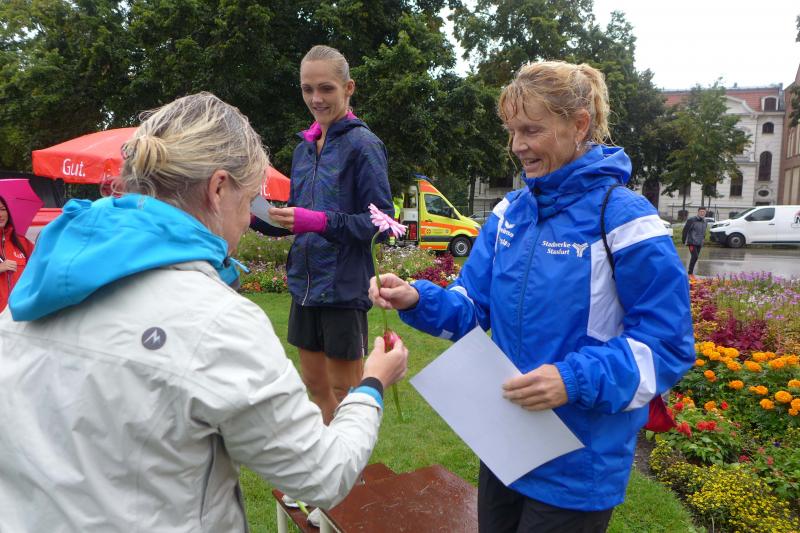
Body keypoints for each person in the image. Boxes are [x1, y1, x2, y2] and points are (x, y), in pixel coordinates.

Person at [0, 92, 408, 532]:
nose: (249, 221)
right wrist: (372, 383)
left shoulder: (33, 291)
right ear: (218, 189)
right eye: (248, 201)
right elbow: (323, 475)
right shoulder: (216, 321)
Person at [369, 61, 694, 532]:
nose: (517, 145)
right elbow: (471, 307)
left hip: (578, 463)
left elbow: (666, 346)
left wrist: (571, 380)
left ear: (579, 124)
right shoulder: (510, 213)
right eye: (512, 131)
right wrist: (417, 299)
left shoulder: (625, 218)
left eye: (531, 130)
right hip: (507, 443)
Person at [252, 45, 394, 425]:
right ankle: (326, 458)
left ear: (349, 88)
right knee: (314, 387)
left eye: (326, 88)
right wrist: (247, 211)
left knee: (348, 393)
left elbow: (381, 224)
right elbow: (294, 220)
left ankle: (352, 460)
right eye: (307, 89)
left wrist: (318, 222)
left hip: (343, 288)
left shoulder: (364, 146)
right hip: (305, 286)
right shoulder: (303, 150)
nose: (316, 98)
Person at [0, 196, 35, 311]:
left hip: (19, 312)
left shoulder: (22, 242)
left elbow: (40, 268)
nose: (0, 214)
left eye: (3, 209)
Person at [682, 206, 708, 275]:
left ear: (705, 213)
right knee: (695, 256)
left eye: (704, 212)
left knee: (695, 258)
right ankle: (690, 273)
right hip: (692, 242)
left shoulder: (705, 221)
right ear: (698, 212)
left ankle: (690, 272)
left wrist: (703, 239)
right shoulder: (691, 220)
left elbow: (704, 232)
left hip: (699, 243)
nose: (702, 213)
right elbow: (685, 230)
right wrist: (684, 240)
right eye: (701, 212)